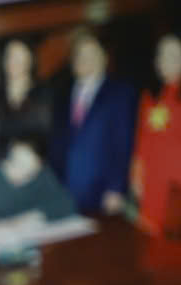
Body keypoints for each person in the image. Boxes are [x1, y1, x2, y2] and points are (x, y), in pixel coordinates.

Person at [54, 28, 137, 218]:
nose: (85, 59)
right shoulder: (61, 96)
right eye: (80, 54)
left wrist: (116, 189)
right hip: (63, 195)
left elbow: (123, 144)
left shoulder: (120, 94)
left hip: (102, 195)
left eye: (91, 54)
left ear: (104, 58)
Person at [0, 137, 80, 233]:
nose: (20, 175)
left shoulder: (43, 177)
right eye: (17, 164)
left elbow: (67, 206)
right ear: (8, 157)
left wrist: (33, 217)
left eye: (28, 172)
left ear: (39, 167)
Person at [135, 33, 181, 238]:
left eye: (173, 53)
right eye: (161, 54)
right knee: (152, 251)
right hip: (152, 186)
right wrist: (136, 177)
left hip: (178, 189)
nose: (166, 59)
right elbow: (141, 141)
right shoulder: (149, 97)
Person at [0, 38, 54, 165]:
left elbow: (47, 135)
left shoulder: (43, 93)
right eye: (10, 56)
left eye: (19, 56)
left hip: (35, 168)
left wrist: (30, 158)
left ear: (30, 60)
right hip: (2, 170)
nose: (14, 61)